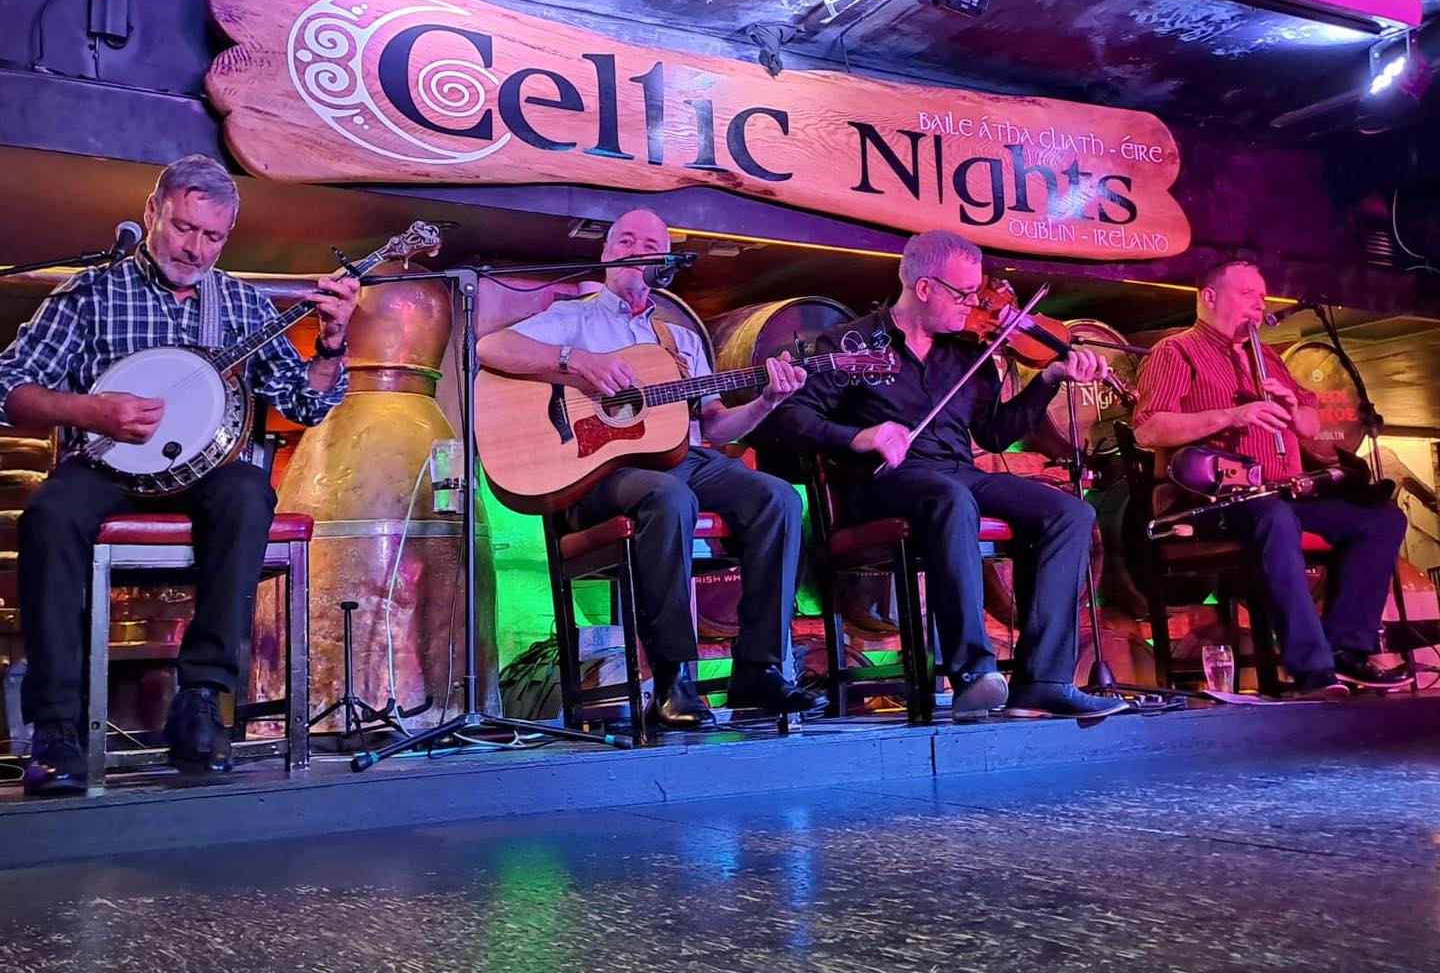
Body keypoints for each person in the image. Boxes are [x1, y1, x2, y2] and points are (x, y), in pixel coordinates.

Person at [0, 155, 359, 795]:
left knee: (250, 492)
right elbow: (8, 389)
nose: (195, 249)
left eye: (212, 237)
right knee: (50, 514)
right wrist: (91, 410)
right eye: (184, 228)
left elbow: (304, 404)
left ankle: (201, 698)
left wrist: (331, 343)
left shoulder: (245, 305)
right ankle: (56, 729)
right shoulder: (91, 293)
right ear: (152, 214)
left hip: (206, 472)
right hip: (105, 464)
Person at [476, 209, 822, 730]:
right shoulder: (578, 317)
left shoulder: (679, 340)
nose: (635, 249)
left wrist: (769, 400)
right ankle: (671, 677)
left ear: (663, 260)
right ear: (607, 253)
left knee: (777, 497)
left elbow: (717, 426)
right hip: (596, 478)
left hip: (681, 457)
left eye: (649, 243)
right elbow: (490, 347)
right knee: (668, 497)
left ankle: (759, 667)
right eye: (625, 240)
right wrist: (577, 362)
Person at [768, 230, 1128, 721]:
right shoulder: (851, 344)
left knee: (1070, 511)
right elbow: (791, 419)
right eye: (963, 294)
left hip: (957, 473)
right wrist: (861, 437)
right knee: (950, 498)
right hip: (880, 484)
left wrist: (1047, 381)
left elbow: (996, 434)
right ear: (924, 288)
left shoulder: (965, 354)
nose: (973, 305)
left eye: (977, 293)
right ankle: (972, 673)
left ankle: (1042, 681)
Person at [1133, 258, 1412, 698]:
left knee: (1381, 520)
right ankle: (1312, 671)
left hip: (1281, 491)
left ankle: (1344, 646)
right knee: (1275, 519)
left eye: (1262, 298)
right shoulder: (1177, 351)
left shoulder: (1268, 358)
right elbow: (1148, 428)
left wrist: (1292, 406)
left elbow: (1308, 427)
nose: (1258, 306)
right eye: (1247, 295)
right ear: (1209, 298)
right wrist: (1233, 414)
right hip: (1209, 500)